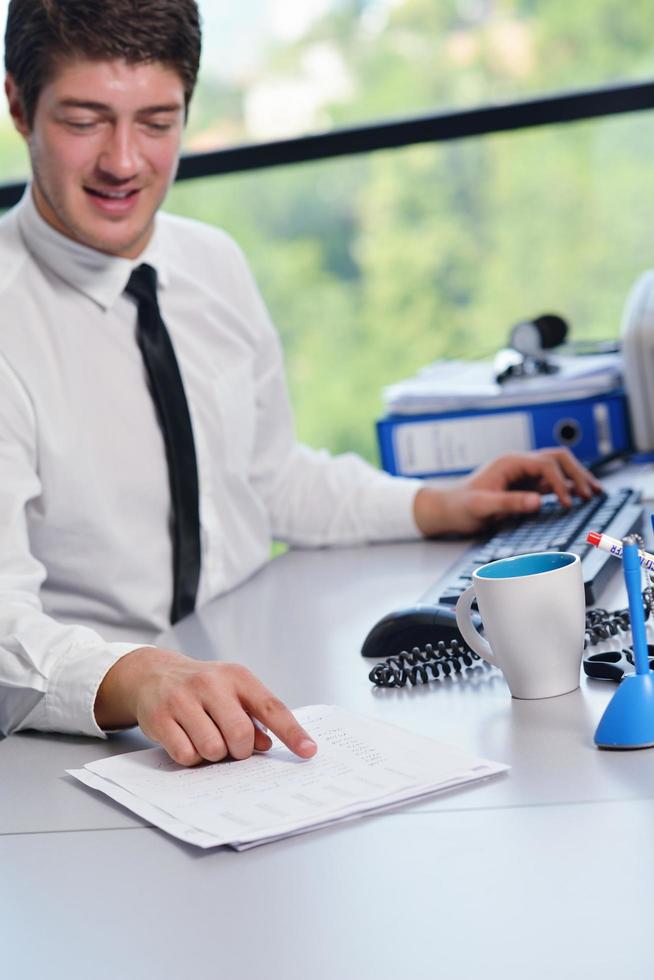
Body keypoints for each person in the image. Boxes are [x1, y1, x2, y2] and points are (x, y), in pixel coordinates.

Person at [0, 0, 600, 767]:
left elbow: (268, 477)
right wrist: (135, 673)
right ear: (19, 104)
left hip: (261, 682)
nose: (124, 161)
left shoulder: (212, 263)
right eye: (85, 121)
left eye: (156, 122)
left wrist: (436, 504)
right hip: (102, 741)